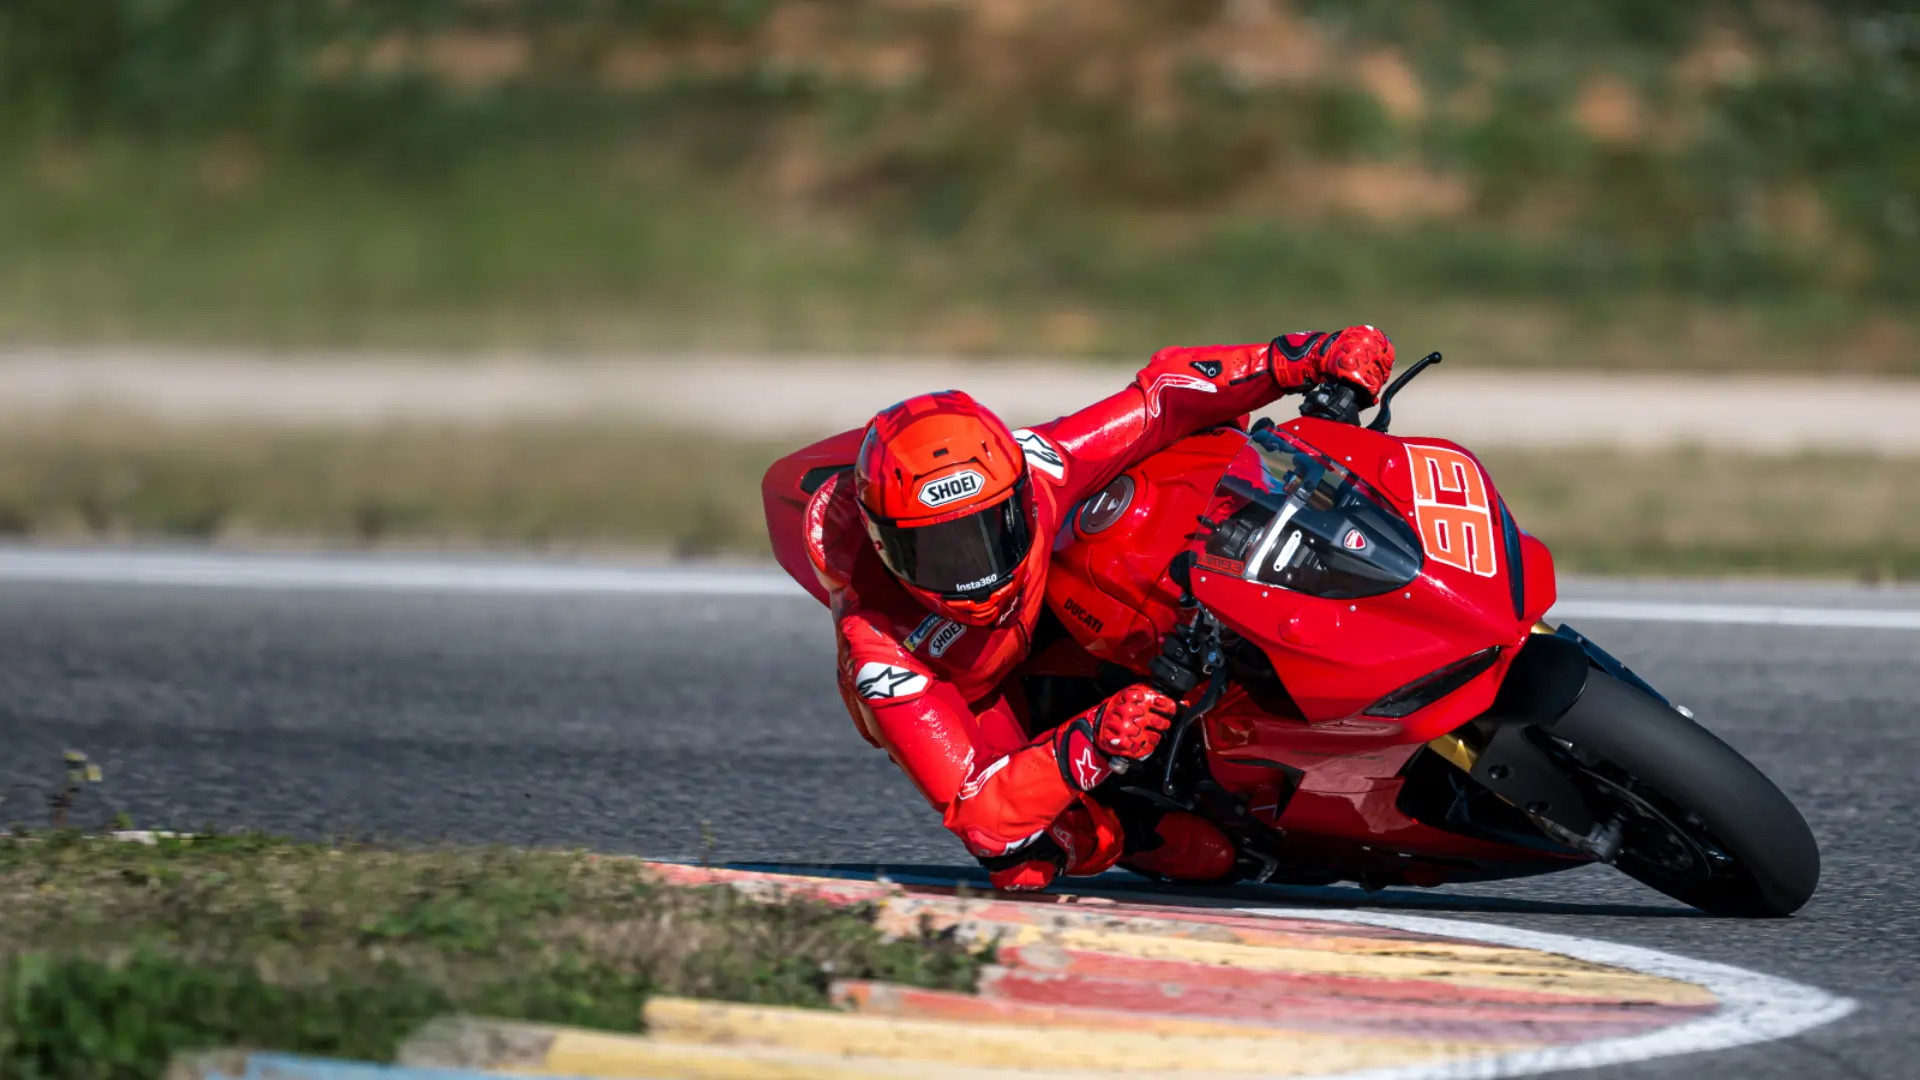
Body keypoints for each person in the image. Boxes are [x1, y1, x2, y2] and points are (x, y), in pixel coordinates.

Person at [762, 329, 1394, 890]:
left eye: (989, 533)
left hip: (1051, 615)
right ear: (884, 546)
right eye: (936, 553)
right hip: (976, 687)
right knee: (1036, 859)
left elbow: (1162, 397)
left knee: (1183, 472)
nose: (972, 572)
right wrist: (1088, 745)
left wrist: (1300, 358)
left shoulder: (1041, 467)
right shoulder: (877, 648)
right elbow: (981, 817)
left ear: (1017, 496)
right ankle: (1176, 821)